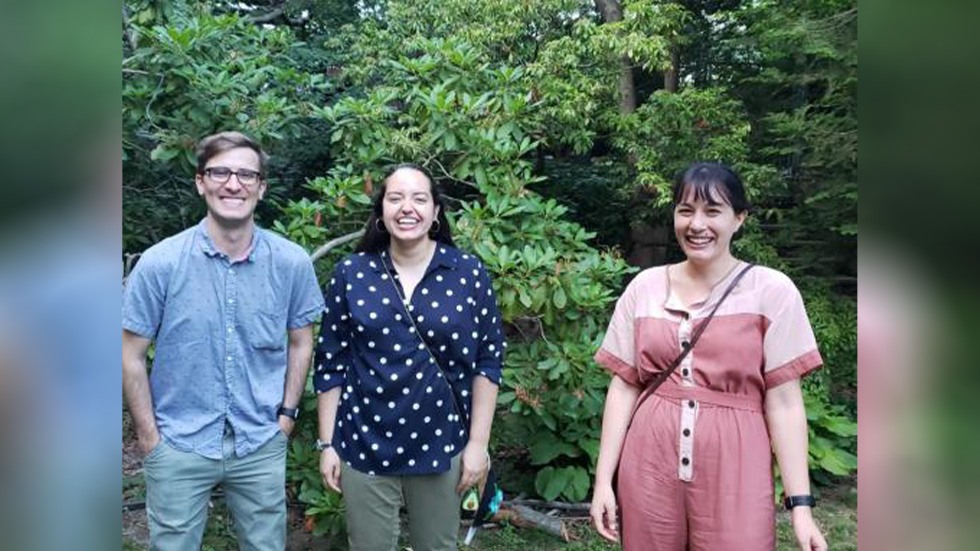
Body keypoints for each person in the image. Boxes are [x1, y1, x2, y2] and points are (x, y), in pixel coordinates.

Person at [589, 162, 829, 551]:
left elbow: (785, 403)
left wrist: (801, 506)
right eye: (686, 210)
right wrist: (603, 481)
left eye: (712, 211)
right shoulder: (644, 288)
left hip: (737, 466)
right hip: (649, 465)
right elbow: (623, 387)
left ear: (739, 218)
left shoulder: (772, 291)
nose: (697, 224)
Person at [122, 131, 324, 551]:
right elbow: (130, 354)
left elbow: (301, 343)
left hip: (260, 441)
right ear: (200, 182)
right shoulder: (160, 264)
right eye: (220, 172)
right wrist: (150, 439)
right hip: (178, 443)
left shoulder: (291, 263)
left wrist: (285, 417)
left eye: (246, 175)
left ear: (261, 188)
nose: (233, 184)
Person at [313, 164, 504, 551]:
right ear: (381, 210)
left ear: (436, 212)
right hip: (362, 442)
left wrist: (478, 444)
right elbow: (331, 361)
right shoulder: (352, 272)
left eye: (419, 198)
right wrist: (327, 443)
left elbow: (488, 361)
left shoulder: (467, 272)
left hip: (443, 441)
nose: (407, 208)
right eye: (395, 198)